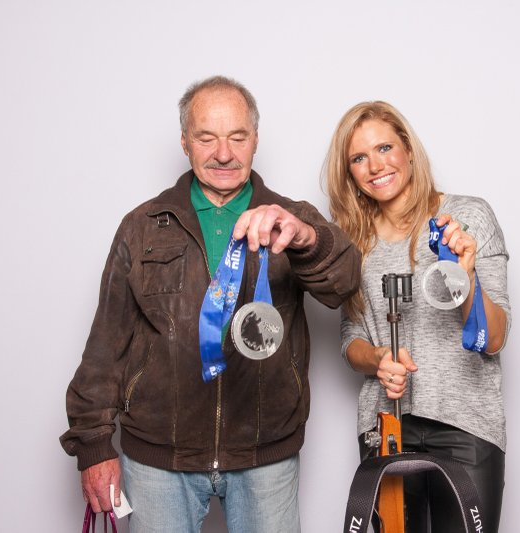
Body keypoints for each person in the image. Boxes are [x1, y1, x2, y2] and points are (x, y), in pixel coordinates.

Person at [60, 76, 360, 533]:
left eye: (237, 137)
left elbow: (344, 283)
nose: (224, 153)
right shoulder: (142, 225)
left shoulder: (292, 218)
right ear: (185, 141)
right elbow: (106, 344)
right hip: (159, 458)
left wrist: (306, 238)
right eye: (206, 138)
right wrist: (93, 446)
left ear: (255, 139)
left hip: (265, 454)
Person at [325, 101, 511, 532]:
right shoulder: (354, 240)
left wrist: (465, 276)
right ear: (349, 172)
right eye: (358, 158)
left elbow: (495, 338)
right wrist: (377, 359)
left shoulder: (468, 217)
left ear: (408, 149)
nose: (376, 166)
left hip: (466, 425)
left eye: (385, 147)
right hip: (387, 425)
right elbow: (351, 338)